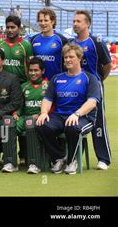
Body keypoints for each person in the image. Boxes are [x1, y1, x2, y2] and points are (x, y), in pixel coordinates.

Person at [36, 44, 101, 175]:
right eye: (65, 57)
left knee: (73, 127)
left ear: (79, 58)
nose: (68, 60)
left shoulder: (90, 78)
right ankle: (59, 158)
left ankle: (72, 161)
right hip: (60, 116)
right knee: (42, 125)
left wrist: (77, 114)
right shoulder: (57, 78)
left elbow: (92, 102)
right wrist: (43, 113)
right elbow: (48, 99)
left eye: (71, 57)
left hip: (84, 117)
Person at [70, 10, 112, 170]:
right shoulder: (71, 44)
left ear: (88, 24)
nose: (75, 24)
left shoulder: (96, 42)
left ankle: (103, 159)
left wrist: (98, 81)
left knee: (98, 121)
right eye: (74, 21)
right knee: (76, 119)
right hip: (75, 87)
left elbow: (108, 65)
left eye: (78, 21)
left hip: (93, 87)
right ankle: (74, 156)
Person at [5, 57, 48, 174]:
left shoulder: (48, 86)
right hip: (25, 117)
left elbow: (52, 105)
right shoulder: (24, 86)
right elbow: (20, 104)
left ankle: (34, 164)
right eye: (31, 71)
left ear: (42, 71)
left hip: (41, 119)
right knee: (8, 122)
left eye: (36, 70)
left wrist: (40, 114)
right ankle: (10, 163)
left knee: (30, 123)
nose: (33, 73)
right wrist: (16, 113)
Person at [29, 8, 68, 80]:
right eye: (40, 21)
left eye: (46, 20)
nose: (43, 23)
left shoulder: (62, 40)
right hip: (39, 84)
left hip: (56, 82)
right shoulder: (33, 39)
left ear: (53, 21)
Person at [0, 15, 33, 83]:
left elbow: (31, 67)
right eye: (8, 27)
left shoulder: (26, 46)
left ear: (19, 28)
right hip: (3, 84)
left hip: (21, 84)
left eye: (13, 27)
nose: (10, 30)